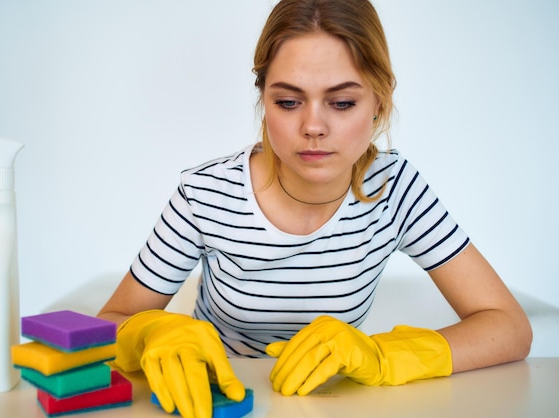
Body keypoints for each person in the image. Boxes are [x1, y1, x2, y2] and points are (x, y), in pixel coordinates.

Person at [98, 1, 532, 417]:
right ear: (263, 100)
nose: (313, 127)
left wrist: (381, 355)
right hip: (219, 402)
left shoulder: (395, 187)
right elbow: (111, 321)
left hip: (335, 405)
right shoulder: (205, 193)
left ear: (380, 100)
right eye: (288, 102)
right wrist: (151, 331)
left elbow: (508, 327)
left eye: (342, 103)